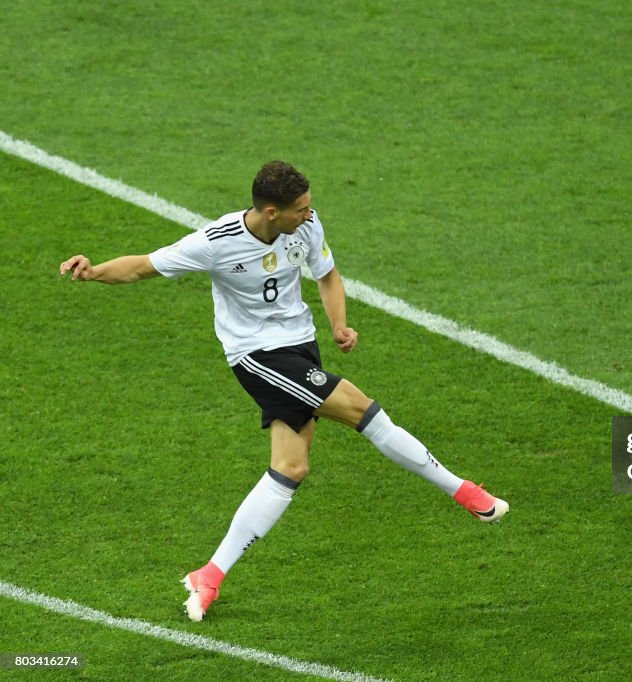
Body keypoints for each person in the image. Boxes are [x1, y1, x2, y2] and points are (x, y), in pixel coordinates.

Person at [59, 161, 509, 622]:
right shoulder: (215, 243)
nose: (309, 216)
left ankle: (209, 574)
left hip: (301, 345)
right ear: (271, 212)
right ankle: (466, 493)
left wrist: (338, 325)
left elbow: (327, 276)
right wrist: (93, 272)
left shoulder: (306, 226)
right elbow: (142, 267)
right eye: (300, 210)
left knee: (291, 467)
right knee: (363, 410)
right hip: (258, 356)